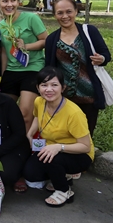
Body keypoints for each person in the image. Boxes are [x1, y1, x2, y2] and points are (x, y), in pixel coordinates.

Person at [23, 67, 94, 207]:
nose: (49, 89)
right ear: (38, 88)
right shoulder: (39, 101)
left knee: (53, 158)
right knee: (30, 174)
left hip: (78, 154)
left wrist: (58, 147)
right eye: (44, 85)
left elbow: (85, 146)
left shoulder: (74, 113)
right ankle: (63, 175)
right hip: (49, 147)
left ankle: (64, 191)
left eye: (54, 85)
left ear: (63, 87)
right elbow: (37, 117)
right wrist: (30, 133)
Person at [45, 0, 111, 135]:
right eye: (60, 13)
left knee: (86, 134)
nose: (65, 16)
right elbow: (49, 68)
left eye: (69, 11)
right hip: (64, 97)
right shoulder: (52, 39)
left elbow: (106, 54)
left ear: (76, 11)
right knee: (64, 134)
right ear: (55, 15)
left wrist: (102, 58)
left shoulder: (89, 32)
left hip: (89, 95)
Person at [0, 0, 47, 131]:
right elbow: (5, 52)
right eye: (5, 1)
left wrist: (27, 46)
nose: (9, 4)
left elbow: (46, 40)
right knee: (3, 111)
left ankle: (26, 146)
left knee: (25, 113)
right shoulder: (1, 26)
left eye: (13, 0)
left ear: (19, 1)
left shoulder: (31, 18)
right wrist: (3, 74)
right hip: (12, 71)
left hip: (32, 69)